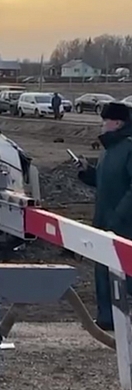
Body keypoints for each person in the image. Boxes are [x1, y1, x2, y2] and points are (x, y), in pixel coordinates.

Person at [77, 102, 132, 331]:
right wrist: (86, 173)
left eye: (104, 120)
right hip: (104, 221)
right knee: (102, 271)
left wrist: (118, 216)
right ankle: (106, 317)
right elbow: (104, 182)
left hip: (123, 225)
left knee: (122, 272)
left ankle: (119, 317)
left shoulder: (128, 149)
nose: (101, 124)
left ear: (117, 122)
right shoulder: (108, 149)